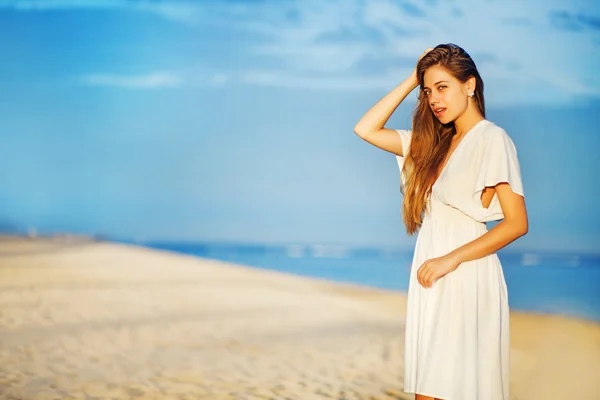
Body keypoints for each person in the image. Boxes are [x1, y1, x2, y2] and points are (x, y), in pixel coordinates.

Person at [353, 43, 529, 400]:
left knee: (449, 389)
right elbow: (366, 128)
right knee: (428, 390)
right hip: (431, 274)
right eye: (428, 90)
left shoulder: (492, 139)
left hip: (463, 273)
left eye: (443, 87)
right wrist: (411, 78)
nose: (434, 99)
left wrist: (450, 259)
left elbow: (516, 223)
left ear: (470, 85)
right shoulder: (432, 144)